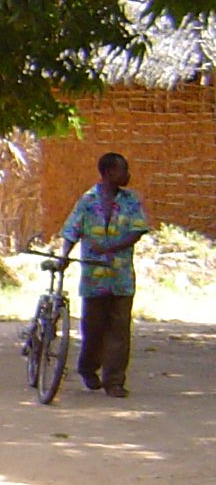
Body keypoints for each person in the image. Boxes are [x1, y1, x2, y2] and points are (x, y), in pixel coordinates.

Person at [57, 152, 151, 397]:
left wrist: (111, 247)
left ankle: (114, 381)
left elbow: (138, 230)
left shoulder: (131, 200)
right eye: (123, 170)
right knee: (93, 328)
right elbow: (71, 231)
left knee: (119, 330)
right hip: (94, 277)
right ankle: (88, 368)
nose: (127, 175)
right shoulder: (87, 201)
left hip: (121, 276)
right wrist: (64, 257)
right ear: (110, 172)